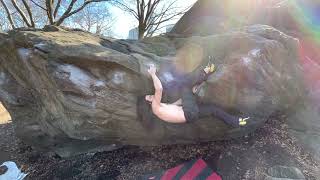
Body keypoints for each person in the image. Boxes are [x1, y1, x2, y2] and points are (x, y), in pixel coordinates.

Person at [145, 64, 249, 127]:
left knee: (214, 110)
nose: (152, 96)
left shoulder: (163, 107)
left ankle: (238, 122)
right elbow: (159, 89)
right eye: (150, 97)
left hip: (191, 116)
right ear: (150, 103)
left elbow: (180, 102)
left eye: (150, 95)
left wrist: (191, 94)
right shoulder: (155, 108)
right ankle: (206, 72)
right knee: (184, 86)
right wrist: (153, 74)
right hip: (188, 112)